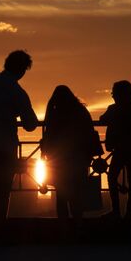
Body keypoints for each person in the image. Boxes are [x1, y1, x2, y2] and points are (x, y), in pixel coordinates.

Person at [0, 50, 39, 238]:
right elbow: (30, 124)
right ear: (22, 70)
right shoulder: (17, 91)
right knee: (1, 193)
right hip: (4, 148)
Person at [42, 85, 97, 231]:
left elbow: (49, 136)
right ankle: (78, 225)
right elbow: (89, 132)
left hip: (59, 160)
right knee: (77, 193)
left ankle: (63, 228)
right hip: (79, 157)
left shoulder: (54, 112)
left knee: (61, 195)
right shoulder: (81, 111)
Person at [100, 80, 131, 221]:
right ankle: (130, 212)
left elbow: (102, 119)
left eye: (113, 92)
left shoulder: (113, 109)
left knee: (112, 177)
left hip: (120, 149)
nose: (112, 95)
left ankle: (116, 211)